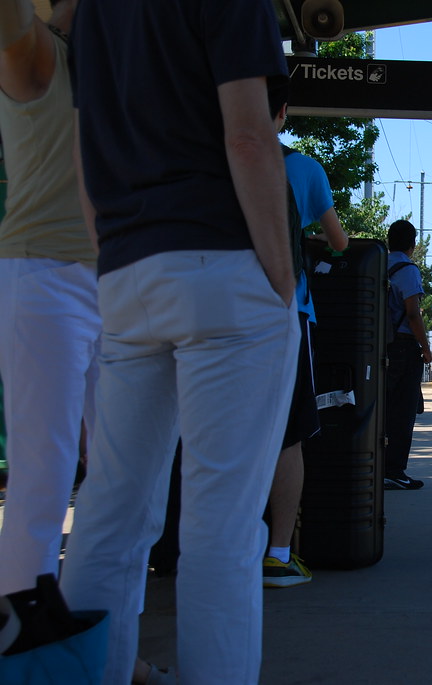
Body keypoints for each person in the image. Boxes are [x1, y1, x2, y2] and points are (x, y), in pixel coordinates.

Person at [58, 2, 299, 683]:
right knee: (220, 527)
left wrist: (116, 254)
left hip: (128, 272)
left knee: (111, 509)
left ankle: (87, 673)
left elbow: (85, 155)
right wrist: (279, 278)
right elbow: (249, 136)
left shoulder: (93, 15)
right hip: (223, 268)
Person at [0, 0, 101, 597]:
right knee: (46, 471)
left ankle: (98, 641)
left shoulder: (111, 71)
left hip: (115, 281)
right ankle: (24, 633)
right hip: (44, 275)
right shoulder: (41, 54)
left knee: (122, 481)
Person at [263, 95, 349, 588]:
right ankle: (278, 553)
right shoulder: (304, 169)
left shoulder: (206, 160)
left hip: (212, 310)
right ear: (283, 111)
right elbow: (338, 242)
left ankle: (220, 548)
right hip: (284, 311)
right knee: (288, 434)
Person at [384, 219, 432, 490]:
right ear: (413, 245)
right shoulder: (408, 269)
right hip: (403, 346)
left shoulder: (380, 264)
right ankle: (395, 471)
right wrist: (425, 348)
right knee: (403, 413)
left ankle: (379, 465)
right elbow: (412, 313)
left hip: (381, 346)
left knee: (383, 410)